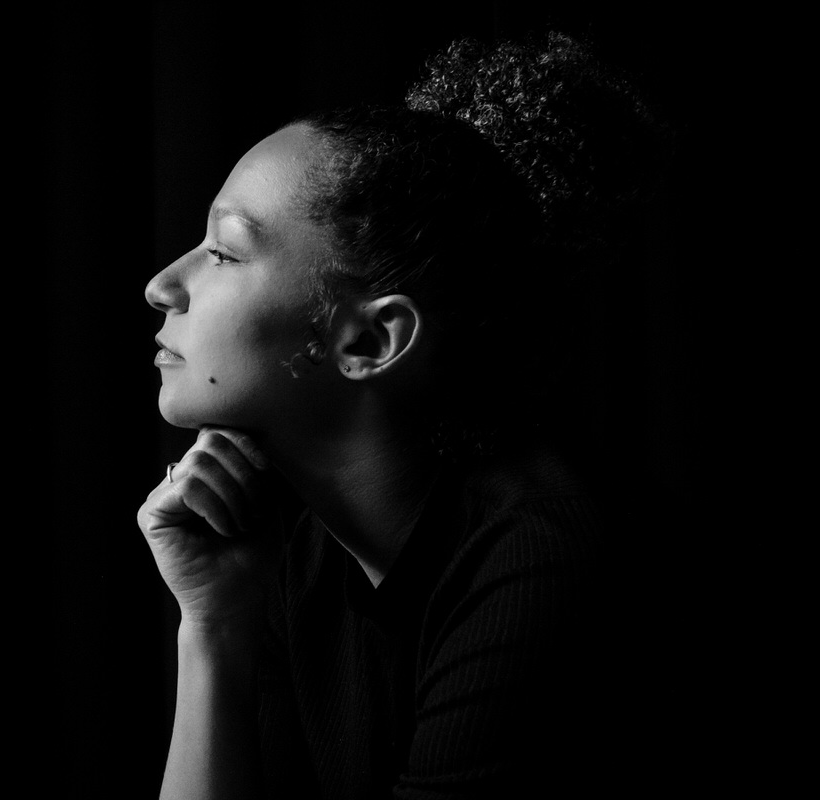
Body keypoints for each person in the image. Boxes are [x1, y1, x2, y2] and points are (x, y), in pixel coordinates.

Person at [139, 32, 668, 799]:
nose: (162, 284)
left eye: (223, 252)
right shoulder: (301, 552)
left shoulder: (547, 565)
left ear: (369, 339)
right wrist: (213, 631)